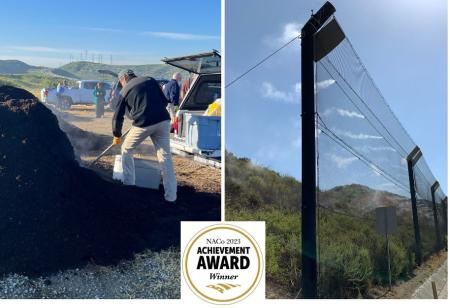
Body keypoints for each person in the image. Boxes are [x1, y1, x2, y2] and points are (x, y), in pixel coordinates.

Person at [112, 69, 177, 202]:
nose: (121, 85)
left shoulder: (124, 90)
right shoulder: (150, 79)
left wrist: (116, 134)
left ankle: (129, 187)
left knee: (126, 149)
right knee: (165, 158)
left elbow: (117, 116)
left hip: (144, 123)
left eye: (121, 82)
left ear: (124, 78)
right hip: (163, 121)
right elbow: (164, 102)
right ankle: (171, 197)